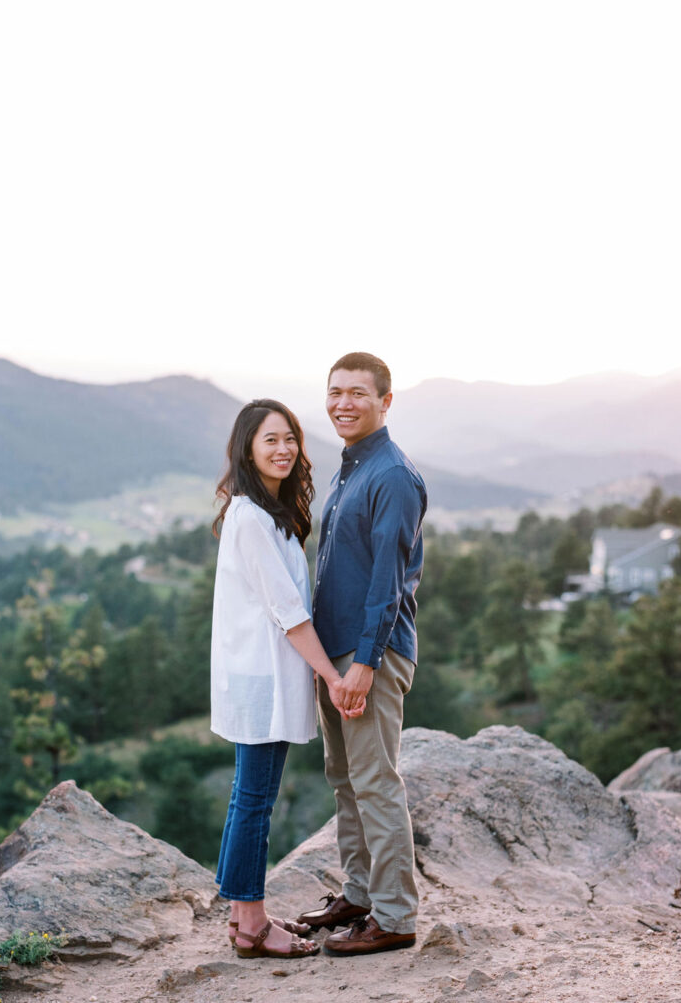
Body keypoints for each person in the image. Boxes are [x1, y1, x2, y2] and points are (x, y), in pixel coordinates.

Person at [210, 398, 365, 961]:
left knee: (248, 797)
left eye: (290, 439)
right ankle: (250, 925)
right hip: (260, 679)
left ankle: (243, 914)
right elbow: (289, 613)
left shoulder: (269, 514)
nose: (283, 449)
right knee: (253, 800)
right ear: (248, 448)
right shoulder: (250, 516)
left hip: (266, 674)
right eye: (270, 439)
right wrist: (333, 677)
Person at [296, 352, 427, 955]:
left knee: (375, 783)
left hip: (366, 656)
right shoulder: (350, 468)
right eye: (335, 392)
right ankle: (359, 893)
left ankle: (396, 919)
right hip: (336, 653)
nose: (343, 403)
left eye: (357, 393)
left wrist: (363, 666)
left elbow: (388, 582)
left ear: (386, 401)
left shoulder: (393, 476)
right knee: (344, 779)